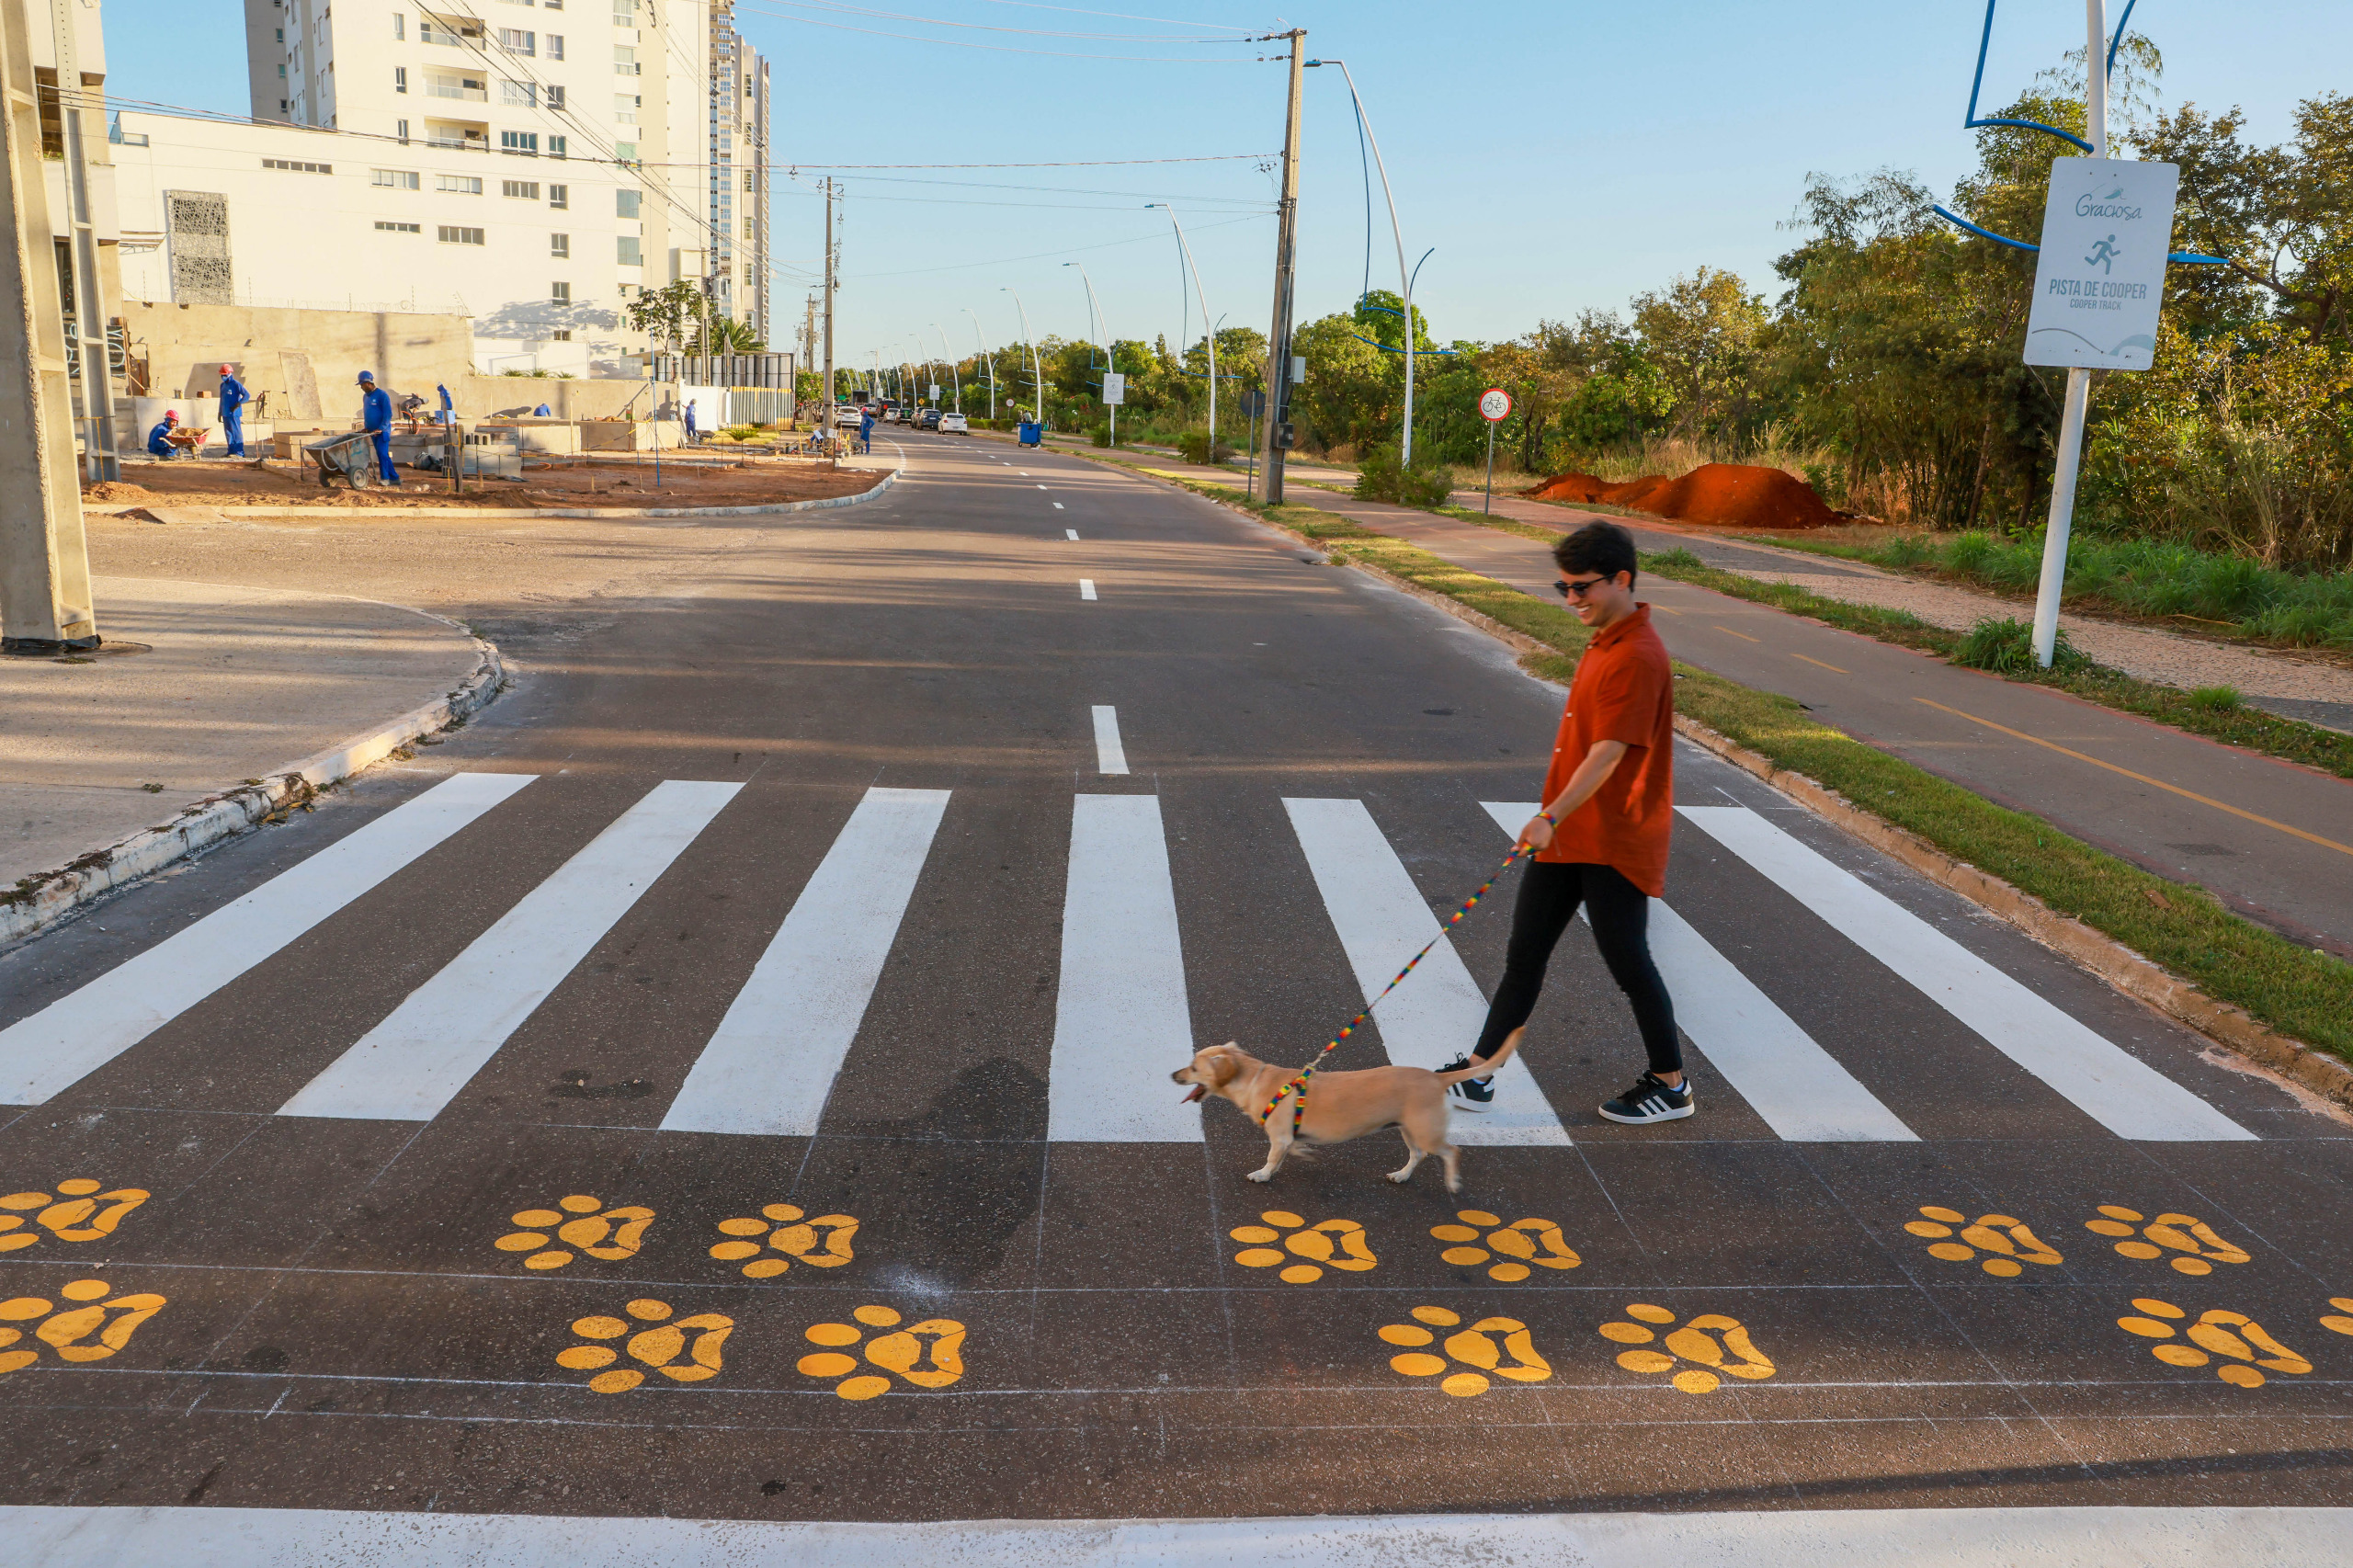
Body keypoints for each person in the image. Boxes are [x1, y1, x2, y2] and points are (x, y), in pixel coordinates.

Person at [1441, 521, 1688, 1125]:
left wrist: (1550, 815)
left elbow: (1609, 752)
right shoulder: (1606, 640)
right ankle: (1479, 1073)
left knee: (1628, 961)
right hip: (1572, 832)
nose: (1572, 599)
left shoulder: (1636, 655)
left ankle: (1671, 1084)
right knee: (1524, 954)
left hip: (1610, 837)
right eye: (1564, 587)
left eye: (1582, 588)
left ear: (1622, 579)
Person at [357, 370, 401, 485]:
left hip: (383, 431)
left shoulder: (382, 395)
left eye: (362, 384)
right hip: (372, 432)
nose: (361, 387)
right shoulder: (365, 397)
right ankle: (395, 478)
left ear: (368, 383)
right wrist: (367, 428)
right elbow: (368, 413)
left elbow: (388, 414)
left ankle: (385, 478)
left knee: (382, 454)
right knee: (383, 454)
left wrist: (381, 428)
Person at [217, 364, 250, 457]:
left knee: (236, 433)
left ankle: (239, 452)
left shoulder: (236, 384)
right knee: (228, 433)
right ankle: (231, 451)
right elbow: (222, 399)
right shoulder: (222, 385)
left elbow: (247, 395)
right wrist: (220, 412)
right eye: (222, 375)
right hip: (225, 413)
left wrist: (238, 403)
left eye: (225, 374)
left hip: (234, 413)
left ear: (230, 374)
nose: (223, 376)